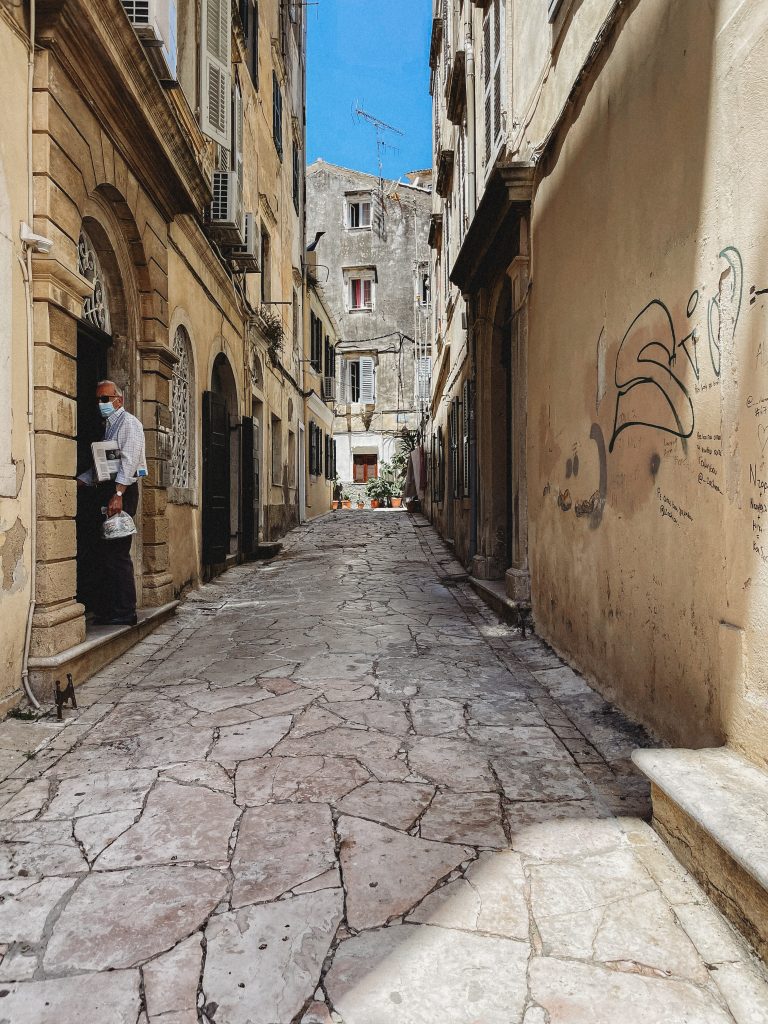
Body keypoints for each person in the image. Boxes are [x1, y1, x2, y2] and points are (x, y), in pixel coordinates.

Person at [77, 380, 146, 626]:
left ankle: (126, 611)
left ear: (119, 400)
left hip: (121, 492)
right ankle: (109, 609)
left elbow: (129, 461)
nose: (101, 404)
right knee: (104, 553)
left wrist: (118, 494)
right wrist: (81, 481)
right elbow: (105, 466)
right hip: (109, 490)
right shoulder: (108, 426)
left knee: (117, 553)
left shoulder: (129, 423)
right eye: (98, 399)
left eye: (105, 399)